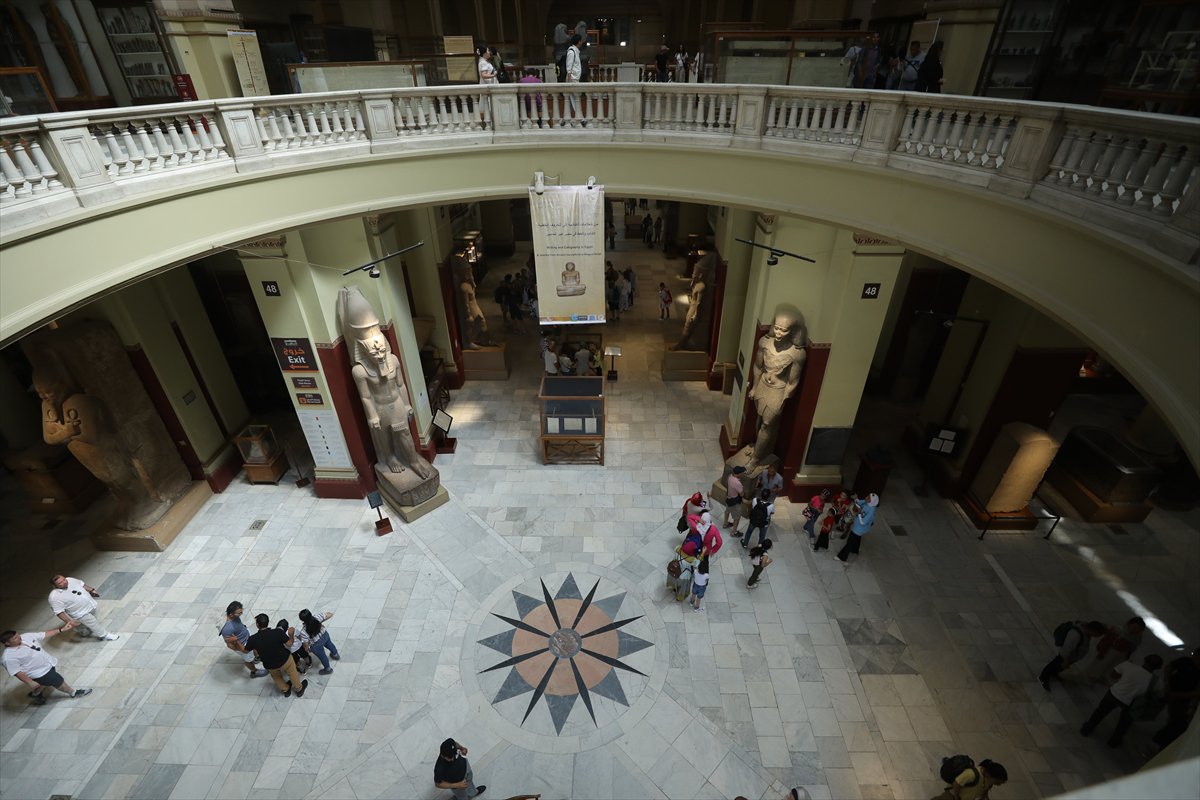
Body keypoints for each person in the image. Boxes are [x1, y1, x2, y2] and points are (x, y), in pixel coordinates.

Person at [748, 310, 807, 465]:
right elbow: (758, 366)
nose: (779, 333)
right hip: (762, 386)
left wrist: (784, 398)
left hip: (778, 390)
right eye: (777, 328)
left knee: (767, 424)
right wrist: (754, 387)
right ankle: (758, 450)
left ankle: (755, 459)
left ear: (792, 332)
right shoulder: (764, 342)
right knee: (759, 419)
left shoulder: (797, 354)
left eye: (784, 330)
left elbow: (793, 382)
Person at [1080, 654, 1164, 746]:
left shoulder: (1128, 665)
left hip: (1114, 694)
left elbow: (1113, 675)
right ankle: (1114, 741)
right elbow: (1158, 694)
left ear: (1145, 659)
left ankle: (1087, 729)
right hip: (1133, 703)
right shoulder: (1156, 682)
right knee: (1124, 723)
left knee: (1100, 713)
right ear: (1158, 667)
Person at [2, 624, 91, 705]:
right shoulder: (8, 657)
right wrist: (30, 682)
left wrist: (61, 630)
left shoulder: (25, 636)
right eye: (15, 638)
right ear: (7, 643)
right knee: (57, 680)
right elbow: (17, 672)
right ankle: (73, 693)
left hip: (48, 662)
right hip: (39, 673)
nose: (19, 637)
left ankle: (35, 694)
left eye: (18, 635)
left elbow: (43, 634)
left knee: (43, 683)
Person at [246, 613, 308, 698]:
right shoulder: (277, 632)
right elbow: (289, 644)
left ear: (257, 625)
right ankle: (299, 689)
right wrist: (291, 635)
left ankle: (285, 690)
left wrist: (236, 643)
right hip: (284, 659)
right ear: (268, 622)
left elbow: (246, 650)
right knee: (292, 672)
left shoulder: (253, 639)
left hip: (270, 664)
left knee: (276, 676)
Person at [1039, 620, 1107, 691]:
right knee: (1054, 665)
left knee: (1059, 667)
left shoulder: (1086, 629)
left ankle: (1053, 673)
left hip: (1072, 657)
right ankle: (1043, 678)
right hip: (1065, 656)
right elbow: (1067, 648)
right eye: (1098, 635)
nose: (1097, 637)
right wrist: (1066, 660)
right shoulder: (1075, 634)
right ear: (1094, 631)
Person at [48, 574, 118, 641]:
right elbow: (59, 612)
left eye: (64, 579)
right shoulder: (54, 597)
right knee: (93, 623)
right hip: (80, 613)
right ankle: (105, 635)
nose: (64, 582)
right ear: (54, 586)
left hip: (90, 605)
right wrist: (69, 621)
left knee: (91, 620)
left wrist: (91, 590)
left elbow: (82, 584)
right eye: (60, 583)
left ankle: (81, 629)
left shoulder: (70, 579)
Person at [1154, 648, 1200, 749]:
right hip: (1169, 691)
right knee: (1157, 705)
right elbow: (1169, 667)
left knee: (1175, 719)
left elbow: (1196, 694)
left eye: (1195, 655)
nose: (1193, 656)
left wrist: (1175, 695)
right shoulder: (1186, 661)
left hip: (1182, 700)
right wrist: (1167, 684)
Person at [1086, 617, 1146, 681]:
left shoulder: (1136, 637)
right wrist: (1102, 652)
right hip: (1109, 651)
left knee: (1111, 667)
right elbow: (1106, 641)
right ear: (1129, 624)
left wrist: (1127, 655)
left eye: (1138, 629)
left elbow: (1133, 647)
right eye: (1134, 627)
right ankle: (1089, 676)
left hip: (1121, 655)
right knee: (1100, 664)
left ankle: (1102, 678)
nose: (1135, 630)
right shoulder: (1118, 630)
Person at [220, 601, 263, 678]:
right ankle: (254, 672)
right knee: (248, 659)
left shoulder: (234, 617)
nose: (241, 614)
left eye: (241, 612)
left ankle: (256, 658)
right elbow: (228, 644)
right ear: (231, 614)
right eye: (239, 613)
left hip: (247, 635)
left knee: (255, 649)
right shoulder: (227, 628)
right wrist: (241, 650)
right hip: (242, 644)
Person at [836, 492, 879, 564]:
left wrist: (859, 512)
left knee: (850, 541)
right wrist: (856, 498)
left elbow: (863, 522)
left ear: (872, 501)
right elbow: (858, 502)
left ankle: (842, 556)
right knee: (857, 539)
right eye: (867, 496)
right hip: (857, 525)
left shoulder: (871, 511)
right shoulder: (866, 502)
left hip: (859, 529)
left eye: (868, 498)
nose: (866, 498)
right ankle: (855, 550)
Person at [934, 759, 1008, 800]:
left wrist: (984, 797)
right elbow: (956, 783)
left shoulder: (989, 780)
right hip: (951, 796)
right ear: (990, 775)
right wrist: (956, 797)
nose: (999, 785)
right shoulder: (971, 774)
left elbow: (985, 788)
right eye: (998, 782)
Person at [299, 608, 340, 675]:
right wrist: (321, 621)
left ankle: (328, 669)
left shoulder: (303, 632)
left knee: (323, 657)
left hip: (316, 644)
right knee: (330, 645)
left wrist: (307, 650)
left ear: (302, 620)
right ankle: (335, 655)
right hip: (325, 636)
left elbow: (306, 645)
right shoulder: (317, 617)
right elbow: (330, 614)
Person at [564, 33, 584, 124]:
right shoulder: (571, 51)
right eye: (581, 40)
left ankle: (565, 119)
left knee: (570, 100)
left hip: (574, 78)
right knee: (575, 99)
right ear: (579, 41)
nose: (582, 42)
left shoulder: (575, 51)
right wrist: (569, 82)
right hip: (572, 79)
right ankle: (582, 119)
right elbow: (569, 67)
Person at [724, 465, 746, 531]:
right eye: (741, 472)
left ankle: (725, 523)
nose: (742, 473)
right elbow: (741, 494)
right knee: (737, 517)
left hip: (729, 498)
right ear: (738, 474)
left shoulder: (730, 476)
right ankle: (734, 532)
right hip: (735, 501)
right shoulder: (737, 483)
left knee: (727, 511)